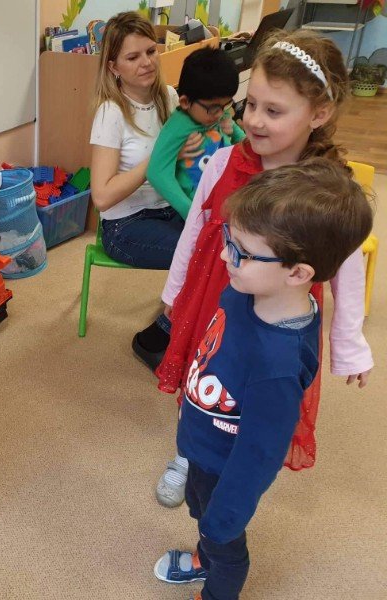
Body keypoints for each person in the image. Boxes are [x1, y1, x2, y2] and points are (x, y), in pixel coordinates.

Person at [153, 29, 373, 509]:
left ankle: (233, 461)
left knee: (251, 393)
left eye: (273, 111)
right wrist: (174, 290)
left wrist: (349, 342)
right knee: (204, 377)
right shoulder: (223, 163)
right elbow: (195, 231)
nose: (252, 119)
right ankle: (188, 454)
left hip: (279, 312)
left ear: (319, 114)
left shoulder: (326, 189)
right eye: (250, 104)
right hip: (215, 293)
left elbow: (347, 268)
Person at [153, 158, 373, 600]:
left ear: (298, 273)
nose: (224, 256)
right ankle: (204, 555)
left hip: (227, 464)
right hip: (203, 444)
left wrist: (228, 514)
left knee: (223, 539)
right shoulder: (246, 290)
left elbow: (259, 455)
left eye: (240, 252)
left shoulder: (277, 366)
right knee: (201, 511)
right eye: (228, 240)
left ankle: (216, 588)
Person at [134, 47, 245, 371]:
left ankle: (205, 332)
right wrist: (193, 213)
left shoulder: (219, 115)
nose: (220, 113)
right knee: (202, 270)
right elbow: (157, 172)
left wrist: (233, 129)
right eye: (213, 108)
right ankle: (158, 336)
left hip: (222, 210)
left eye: (227, 105)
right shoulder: (179, 126)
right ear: (185, 102)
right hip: (199, 216)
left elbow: (241, 147)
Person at [89, 12, 181, 270]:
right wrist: (158, 159)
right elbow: (102, 197)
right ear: (113, 67)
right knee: (201, 253)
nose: (147, 63)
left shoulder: (169, 96)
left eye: (151, 51)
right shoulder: (111, 113)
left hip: (171, 206)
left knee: (226, 238)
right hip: (126, 223)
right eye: (133, 57)